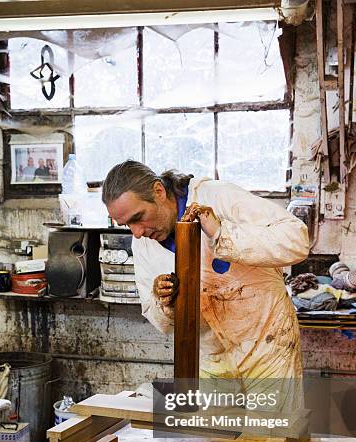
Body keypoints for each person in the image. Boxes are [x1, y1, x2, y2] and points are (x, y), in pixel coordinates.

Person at [102, 161, 309, 411]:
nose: (136, 232)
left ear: (158, 191)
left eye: (138, 218)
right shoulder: (143, 244)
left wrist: (223, 234)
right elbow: (161, 324)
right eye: (127, 225)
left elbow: (297, 239)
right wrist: (164, 303)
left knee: (273, 434)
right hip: (211, 357)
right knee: (217, 441)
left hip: (266, 342)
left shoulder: (217, 197)